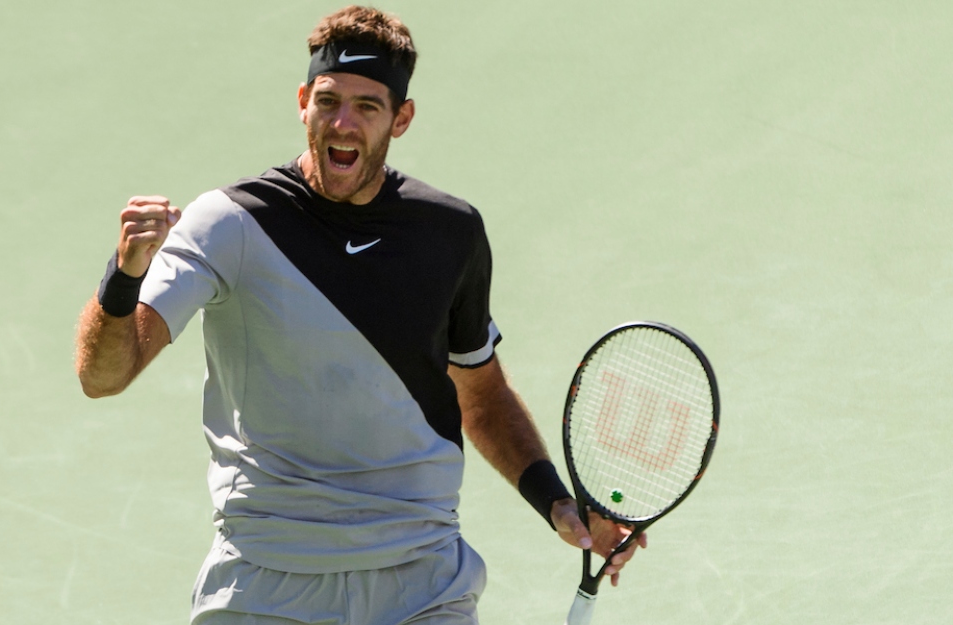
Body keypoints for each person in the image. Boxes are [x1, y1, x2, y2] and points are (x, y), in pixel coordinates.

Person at [75, 6, 644, 624]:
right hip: (268, 580)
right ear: (302, 101)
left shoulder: (449, 233)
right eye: (329, 100)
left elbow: (480, 394)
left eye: (368, 106)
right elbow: (102, 374)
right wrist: (124, 273)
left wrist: (558, 504)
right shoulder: (229, 225)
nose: (343, 122)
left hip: (422, 581)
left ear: (401, 119)